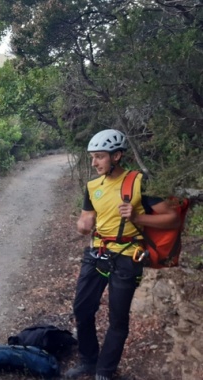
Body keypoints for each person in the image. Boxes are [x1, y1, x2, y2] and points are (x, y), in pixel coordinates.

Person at [65, 129, 180, 380]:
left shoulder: (138, 182)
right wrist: (83, 224)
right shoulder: (93, 186)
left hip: (128, 256)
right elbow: (86, 218)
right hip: (98, 252)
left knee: (118, 318)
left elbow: (171, 218)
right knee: (82, 309)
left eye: (100, 157)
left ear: (117, 156)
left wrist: (138, 217)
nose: (94, 163)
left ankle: (105, 370)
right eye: (92, 157)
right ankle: (88, 360)